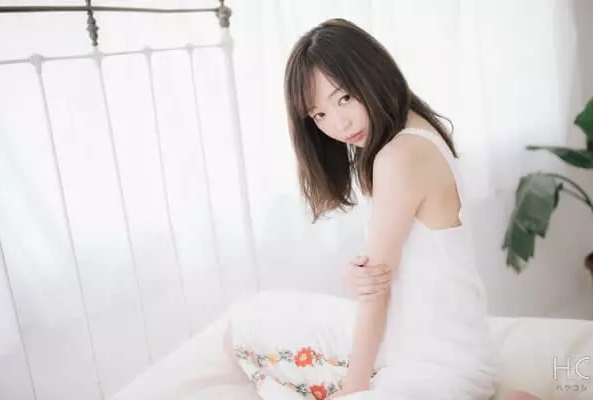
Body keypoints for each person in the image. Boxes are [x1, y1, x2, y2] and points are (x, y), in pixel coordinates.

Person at [224, 18, 542, 400]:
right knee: (250, 329)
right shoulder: (413, 130)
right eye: (318, 115)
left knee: (261, 341)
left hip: (439, 368)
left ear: (371, 72)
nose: (338, 124)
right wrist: (358, 275)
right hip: (428, 349)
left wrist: (353, 390)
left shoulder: (398, 156)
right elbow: (390, 271)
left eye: (344, 98)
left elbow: (378, 292)